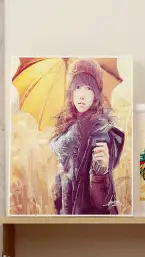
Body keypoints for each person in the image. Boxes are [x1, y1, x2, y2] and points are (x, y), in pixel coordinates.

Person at [50, 60, 125, 215]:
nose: (82, 95)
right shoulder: (67, 130)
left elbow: (101, 203)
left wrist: (100, 173)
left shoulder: (102, 131)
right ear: (71, 92)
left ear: (96, 94)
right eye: (77, 88)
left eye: (88, 88)